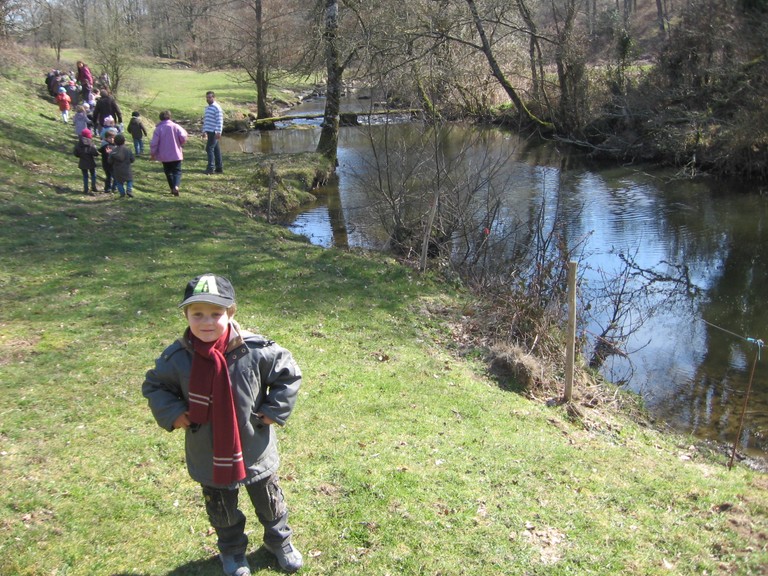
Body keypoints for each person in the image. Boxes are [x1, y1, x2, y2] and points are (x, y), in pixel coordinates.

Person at [142, 274, 304, 576]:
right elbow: (155, 386)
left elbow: (288, 374)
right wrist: (173, 411)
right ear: (186, 315)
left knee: (269, 500)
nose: (206, 322)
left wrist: (274, 409)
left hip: (254, 445)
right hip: (208, 449)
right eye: (197, 314)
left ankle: (278, 541)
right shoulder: (178, 358)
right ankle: (231, 550)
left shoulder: (254, 350)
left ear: (231, 312)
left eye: (216, 314)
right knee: (221, 507)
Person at [149, 110, 188, 196]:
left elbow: (154, 143)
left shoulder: (158, 129)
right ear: (170, 117)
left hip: (164, 154)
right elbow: (184, 135)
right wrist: (181, 142)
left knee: (168, 172)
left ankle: (172, 188)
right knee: (177, 171)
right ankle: (176, 186)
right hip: (176, 153)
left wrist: (153, 154)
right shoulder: (175, 126)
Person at [203, 91, 224, 175]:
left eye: (210, 97)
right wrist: (204, 130)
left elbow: (220, 121)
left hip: (214, 132)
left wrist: (218, 132)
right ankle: (219, 168)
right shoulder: (207, 108)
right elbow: (206, 120)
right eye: (207, 97)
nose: (208, 99)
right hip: (209, 131)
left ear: (214, 98)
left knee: (209, 148)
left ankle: (210, 168)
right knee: (216, 150)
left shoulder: (217, 108)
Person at [73, 128, 99, 195]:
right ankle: (93, 186)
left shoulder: (79, 144)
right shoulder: (91, 143)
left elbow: (75, 153)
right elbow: (95, 153)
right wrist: (96, 153)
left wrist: (80, 156)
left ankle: (86, 188)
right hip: (91, 162)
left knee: (85, 175)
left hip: (82, 162)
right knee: (93, 174)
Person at [109, 133, 135, 198]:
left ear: (115, 142)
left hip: (117, 170)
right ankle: (129, 190)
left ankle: (122, 193)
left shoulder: (113, 151)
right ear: (124, 141)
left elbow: (110, 161)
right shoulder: (128, 150)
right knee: (130, 180)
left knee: (119, 182)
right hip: (127, 168)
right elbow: (132, 159)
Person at [99, 127, 117, 193]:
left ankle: (110, 188)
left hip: (112, 164)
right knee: (112, 177)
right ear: (106, 138)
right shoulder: (106, 146)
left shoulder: (115, 145)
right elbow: (106, 154)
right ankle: (110, 188)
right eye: (110, 138)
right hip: (108, 164)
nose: (112, 139)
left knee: (112, 177)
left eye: (113, 138)